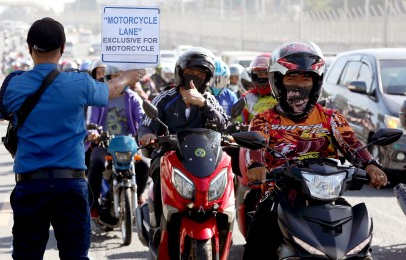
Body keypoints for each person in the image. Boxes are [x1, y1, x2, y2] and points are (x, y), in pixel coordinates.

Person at [0, 17, 139, 259]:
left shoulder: (14, 85)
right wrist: (128, 76)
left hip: (30, 185)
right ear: (62, 49)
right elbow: (113, 89)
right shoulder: (79, 83)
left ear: (29, 48)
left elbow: (0, 114)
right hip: (70, 186)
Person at [241, 39, 387, 259]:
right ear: (278, 81)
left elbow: (353, 145)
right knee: (259, 232)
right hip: (280, 197)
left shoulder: (331, 118)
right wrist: (256, 165)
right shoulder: (264, 120)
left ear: (316, 82)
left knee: (359, 242)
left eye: (306, 77)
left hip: (328, 198)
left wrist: (371, 165)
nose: (299, 84)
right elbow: (255, 147)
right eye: (292, 77)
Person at [138, 47, 229, 228]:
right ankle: (157, 224)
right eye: (190, 72)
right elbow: (146, 123)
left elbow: (223, 124)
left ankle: (223, 225)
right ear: (180, 73)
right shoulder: (164, 98)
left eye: (201, 73)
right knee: (157, 175)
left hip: (203, 158)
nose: (195, 76)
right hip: (169, 155)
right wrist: (147, 134)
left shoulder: (209, 99)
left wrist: (202, 104)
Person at [86, 65, 149, 225]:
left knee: (143, 166)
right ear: (107, 80)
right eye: (113, 78)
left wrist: (146, 131)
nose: (118, 82)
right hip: (105, 143)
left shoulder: (132, 98)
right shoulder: (99, 98)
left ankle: (139, 194)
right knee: (96, 164)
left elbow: (142, 119)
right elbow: (91, 121)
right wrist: (92, 133)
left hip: (128, 144)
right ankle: (93, 206)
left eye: (120, 77)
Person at [236, 53, 277, 125]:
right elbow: (238, 122)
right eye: (260, 74)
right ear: (254, 75)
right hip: (253, 135)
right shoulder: (247, 98)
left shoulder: (283, 96)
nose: (263, 78)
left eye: (266, 74)